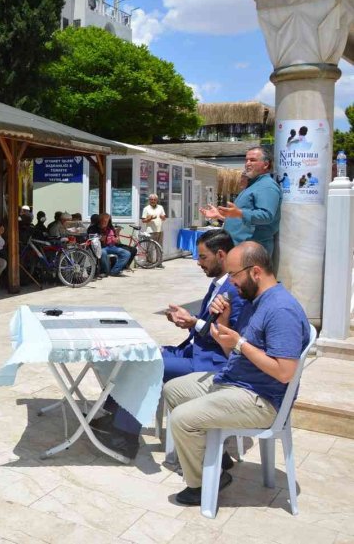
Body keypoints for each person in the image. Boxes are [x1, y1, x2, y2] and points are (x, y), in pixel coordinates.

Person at [165, 241, 309, 506]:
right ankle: (217, 460)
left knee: (183, 419)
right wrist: (223, 321)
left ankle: (202, 485)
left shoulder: (280, 310)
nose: (231, 282)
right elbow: (233, 353)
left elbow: (285, 372)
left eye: (234, 275)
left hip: (262, 399)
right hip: (237, 382)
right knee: (174, 389)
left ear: (255, 272)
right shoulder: (254, 300)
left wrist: (241, 344)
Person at [91, 230, 244, 459]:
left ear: (221, 255)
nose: (198, 262)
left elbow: (228, 335)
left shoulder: (233, 290)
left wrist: (192, 322)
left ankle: (124, 436)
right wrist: (190, 321)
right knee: (138, 355)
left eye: (203, 257)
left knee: (147, 364)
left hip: (210, 362)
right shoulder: (220, 284)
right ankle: (114, 414)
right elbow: (209, 323)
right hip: (195, 351)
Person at [200, 146, 281, 255]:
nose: (247, 163)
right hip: (240, 249)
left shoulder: (266, 186)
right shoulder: (253, 185)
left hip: (252, 251)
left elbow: (266, 215)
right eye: (246, 160)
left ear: (266, 164)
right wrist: (221, 216)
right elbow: (245, 220)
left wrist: (239, 213)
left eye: (252, 160)